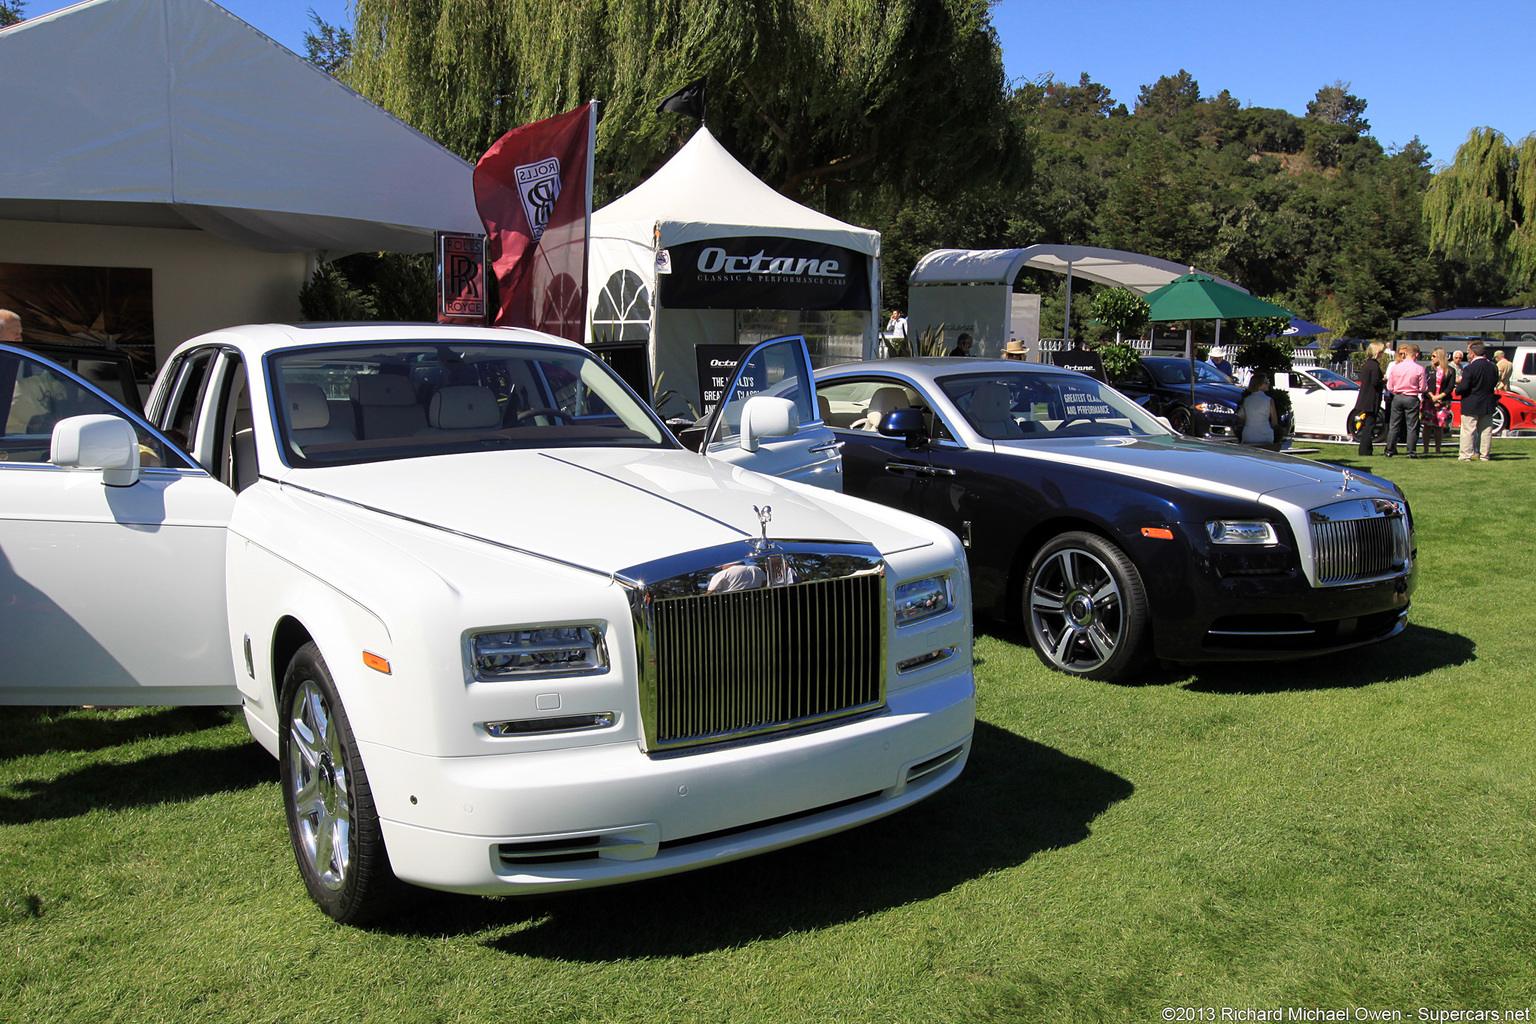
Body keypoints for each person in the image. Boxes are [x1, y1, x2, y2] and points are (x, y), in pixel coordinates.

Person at [1456, 340, 1498, 461]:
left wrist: (1458, 390)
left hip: (1471, 402)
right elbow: (1495, 382)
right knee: (1486, 430)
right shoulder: (1493, 367)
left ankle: (1465, 455)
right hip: (1487, 402)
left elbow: (1464, 386)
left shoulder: (1470, 368)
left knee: (1468, 430)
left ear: (1473, 354)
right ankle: (1485, 454)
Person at [1383, 343, 1427, 458]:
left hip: (1397, 397)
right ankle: (1411, 451)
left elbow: (1390, 387)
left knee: (1394, 425)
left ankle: (1389, 450)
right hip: (1411, 397)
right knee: (1411, 426)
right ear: (1416, 355)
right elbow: (1423, 388)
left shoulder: (1395, 367)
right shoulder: (1419, 369)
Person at [1353, 341, 1387, 456]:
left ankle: (1366, 449)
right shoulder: (1374, 365)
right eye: (1381, 352)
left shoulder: (1368, 364)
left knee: (1368, 423)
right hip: (1372, 398)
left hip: (1366, 397)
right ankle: (1365, 450)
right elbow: (1375, 382)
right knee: (1370, 424)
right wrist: (1384, 380)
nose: (1382, 354)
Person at [1420, 347, 1455, 455]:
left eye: (1434, 356)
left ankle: (1438, 449)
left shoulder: (1450, 370)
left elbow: (1450, 387)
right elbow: (1425, 384)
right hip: (1429, 401)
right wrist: (1432, 397)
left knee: (1439, 426)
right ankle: (1425, 448)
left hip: (1442, 402)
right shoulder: (1428, 369)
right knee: (1427, 425)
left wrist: (1439, 397)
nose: (1432, 358)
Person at [1235, 373, 1281, 450]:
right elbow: (1274, 423)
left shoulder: (1247, 400)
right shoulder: (1269, 400)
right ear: (1259, 385)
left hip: (1248, 435)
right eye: (1266, 382)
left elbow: (1241, 418)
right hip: (1265, 435)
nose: (1268, 384)